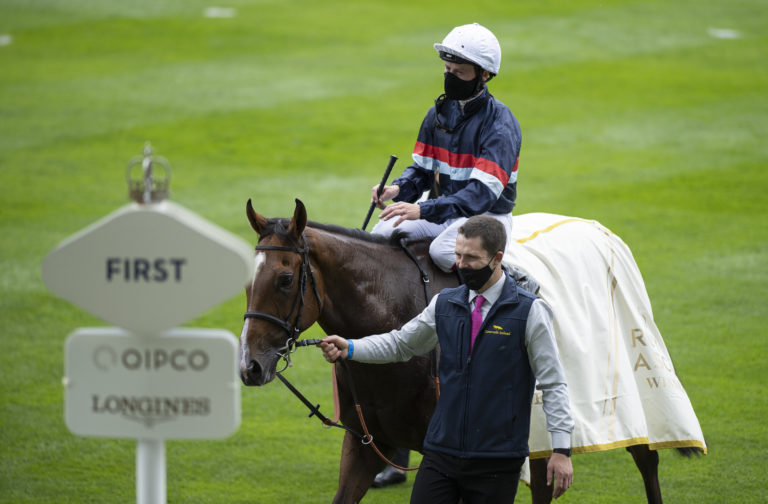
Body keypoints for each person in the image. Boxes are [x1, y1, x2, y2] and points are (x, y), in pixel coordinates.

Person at [320, 216, 574, 503]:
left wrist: (562, 451)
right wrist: (351, 348)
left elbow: (553, 384)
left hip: (496, 459)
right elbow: (401, 344)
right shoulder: (444, 303)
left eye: (471, 258)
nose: (462, 265)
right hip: (441, 453)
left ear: (497, 258)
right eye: (458, 255)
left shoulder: (530, 312)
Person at [371, 22, 521, 274]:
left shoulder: (500, 125)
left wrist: (422, 209)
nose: (450, 77)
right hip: (447, 212)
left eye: (459, 73)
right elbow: (423, 171)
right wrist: (397, 189)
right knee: (383, 234)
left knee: (441, 252)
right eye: (447, 69)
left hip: (488, 218)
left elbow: (480, 195)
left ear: (484, 74)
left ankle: (508, 279)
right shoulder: (438, 114)